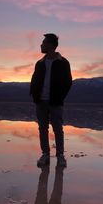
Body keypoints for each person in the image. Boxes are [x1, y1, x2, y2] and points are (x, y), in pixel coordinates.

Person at [30, 33, 72, 167]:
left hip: (55, 101)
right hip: (41, 101)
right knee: (42, 128)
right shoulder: (40, 63)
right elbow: (34, 79)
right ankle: (45, 154)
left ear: (51, 45)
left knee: (58, 129)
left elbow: (68, 82)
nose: (41, 45)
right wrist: (35, 95)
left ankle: (60, 156)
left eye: (43, 43)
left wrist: (60, 97)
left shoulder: (63, 62)